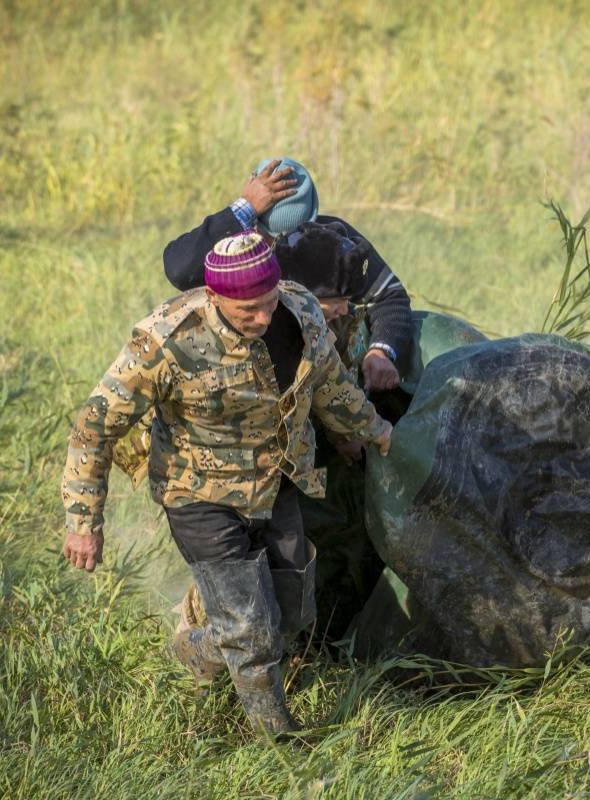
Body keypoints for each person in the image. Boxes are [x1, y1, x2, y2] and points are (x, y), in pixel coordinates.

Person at [61, 232, 393, 734]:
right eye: (247, 312)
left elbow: (331, 385)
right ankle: (278, 743)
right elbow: (95, 427)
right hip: (198, 495)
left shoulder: (302, 310)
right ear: (215, 298)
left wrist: (379, 433)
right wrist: (83, 522)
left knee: (291, 616)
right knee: (252, 634)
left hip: (275, 484)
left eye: (268, 302)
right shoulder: (167, 338)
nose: (262, 318)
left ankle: (197, 647)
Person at [162, 157, 413, 392]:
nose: (277, 247)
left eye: (295, 237)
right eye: (270, 237)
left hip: (325, 382)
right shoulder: (235, 256)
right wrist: (244, 208)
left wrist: (380, 350)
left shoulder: (334, 244)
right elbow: (180, 270)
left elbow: (389, 296)